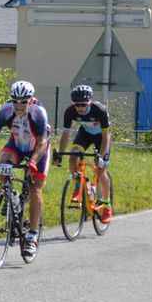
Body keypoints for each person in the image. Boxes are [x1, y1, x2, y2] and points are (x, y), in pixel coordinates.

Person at [0, 80, 51, 258]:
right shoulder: (6, 110)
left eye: (24, 101)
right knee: (3, 163)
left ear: (31, 100)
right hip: (16, 144)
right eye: (15, 100)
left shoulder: (38, 112)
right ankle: (10, 195)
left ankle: (32, 236)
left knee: (35, 187)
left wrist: (33, 161)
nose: (19, 105)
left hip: (38, 148)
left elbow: (43, 141)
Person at [53, 84, 113, 223]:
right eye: (77, 105)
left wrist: (101, 157)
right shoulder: (70, 112)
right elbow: (65, 135)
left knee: (100, 171)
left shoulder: (100, 110)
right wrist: (61, 154)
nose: (80, 108)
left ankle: (107, 205)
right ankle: (78, 187)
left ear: (89, 102)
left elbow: (106, 137)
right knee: (73, 156)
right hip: (85, 134)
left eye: (83, 105)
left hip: (102, 138)